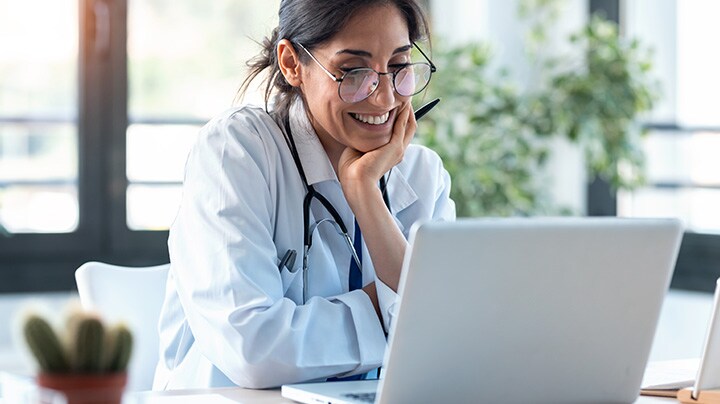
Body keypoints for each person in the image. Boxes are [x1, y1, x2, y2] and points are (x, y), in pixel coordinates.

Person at [154, 0, 455, 390]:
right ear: (293, 63)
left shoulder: (421, 174)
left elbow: (442, 342)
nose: (384, 99)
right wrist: (389, 310)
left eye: (398, 68)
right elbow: (254, 351)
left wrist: (365, 192)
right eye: (353, 72)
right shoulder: (238, 151)